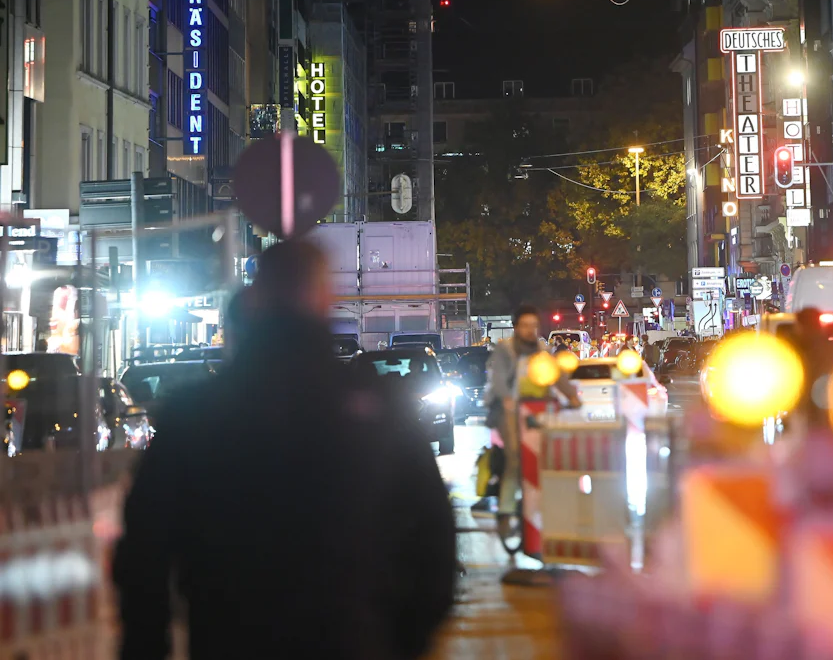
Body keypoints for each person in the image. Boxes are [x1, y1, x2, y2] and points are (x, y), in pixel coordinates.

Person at [113, 239, 457, 660]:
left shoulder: (196, 411)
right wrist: (403, 640)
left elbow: (144, 549)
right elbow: (434, 541)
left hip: (230, 638)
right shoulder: (378, 407)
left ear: (257, 297)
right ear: (326, 299)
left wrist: (146, 643)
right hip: (352, 637)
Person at [483, 304, 581, 521]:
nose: (529, 330)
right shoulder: (504, 349)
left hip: (538, 410)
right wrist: (508, 400)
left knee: (548, 455)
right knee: (515, 458)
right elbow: (498, 380)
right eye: (525, 325)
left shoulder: (543, 351)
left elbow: (557, 377)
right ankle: (506, 511)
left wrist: (573, 397)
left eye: (533, 326)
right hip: (509, 411)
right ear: (516, 327)